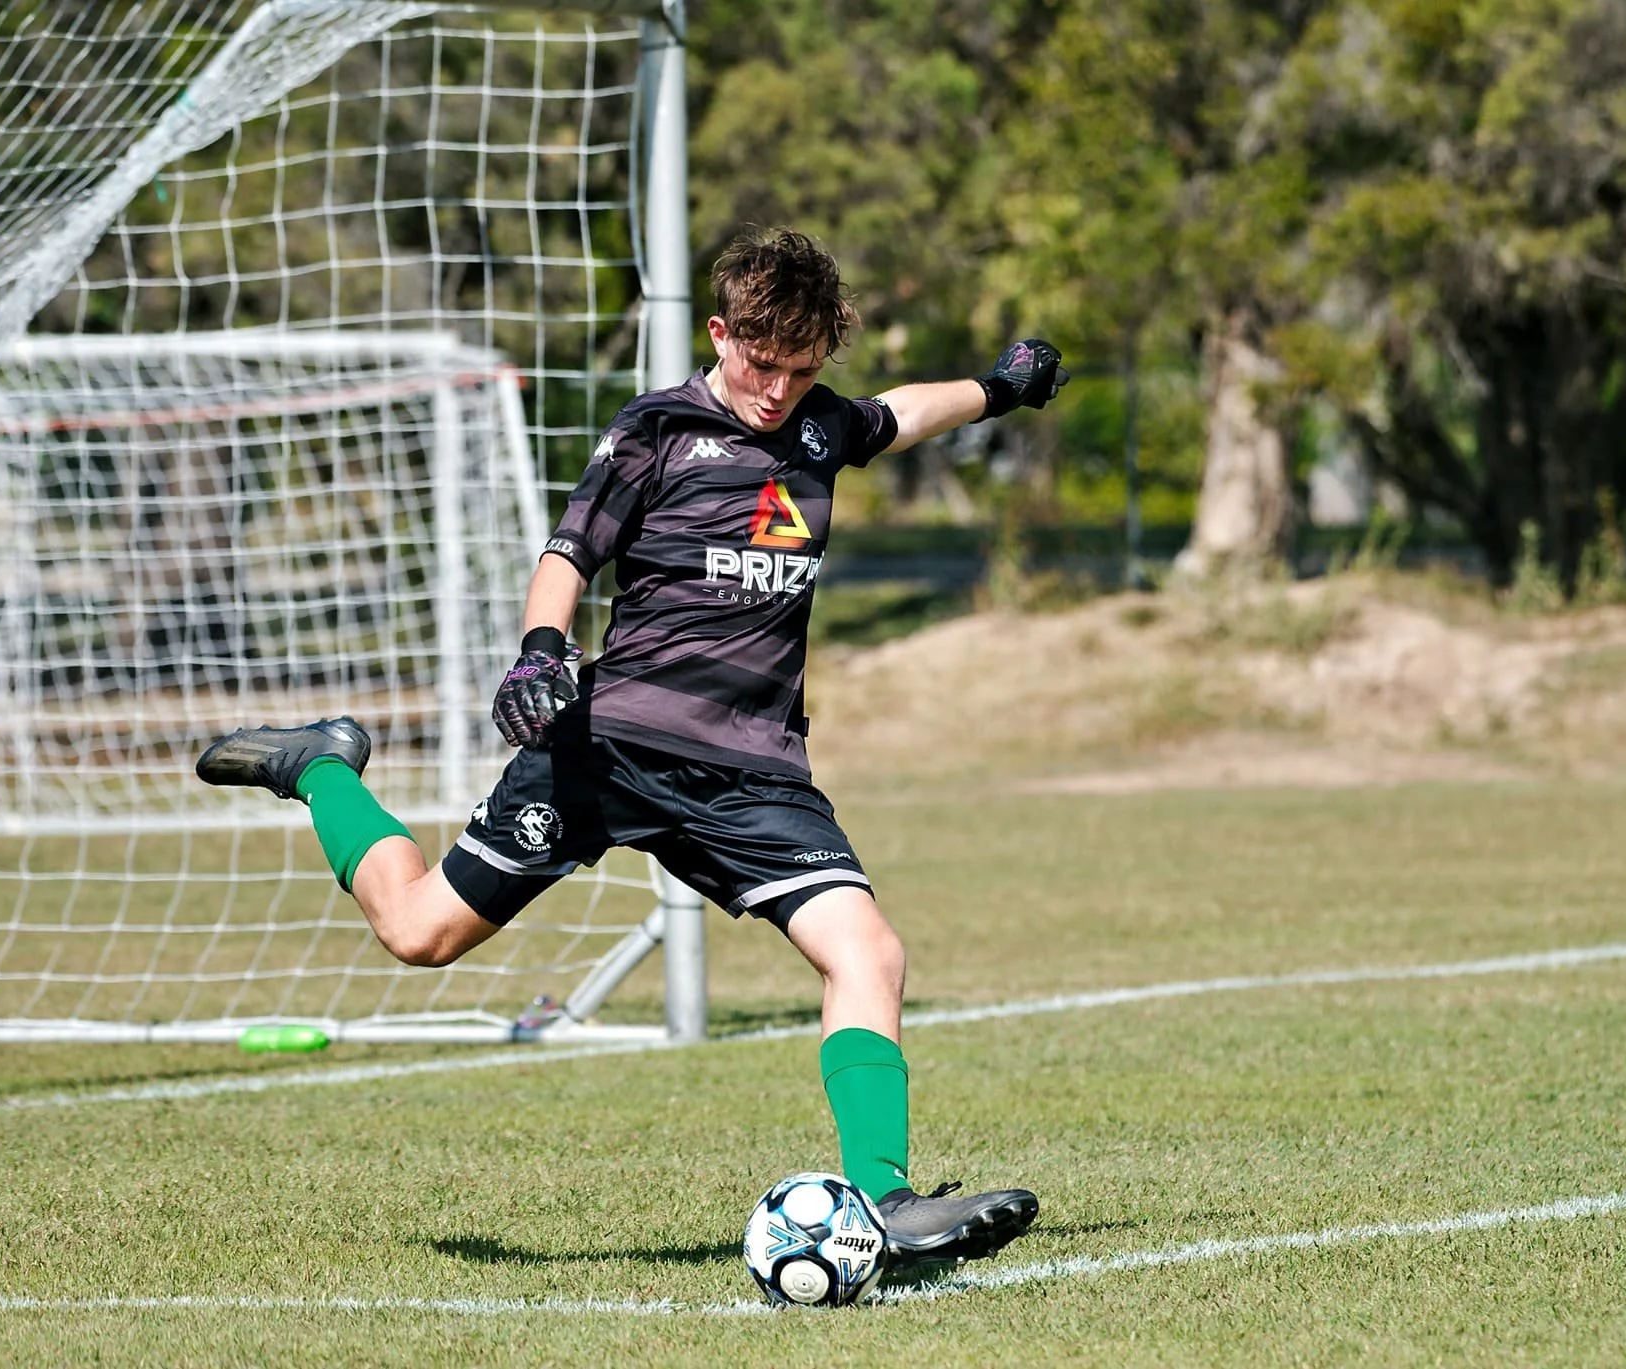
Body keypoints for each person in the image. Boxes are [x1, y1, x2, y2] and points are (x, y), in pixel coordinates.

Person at [196, 227, 1068, 1266]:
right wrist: (536, 654)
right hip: (608, 747)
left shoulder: (822, 426)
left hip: (753, 771)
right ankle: (322, 765)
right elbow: (568, 554)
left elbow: (905, 414)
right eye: (759, 363)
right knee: (418, 932)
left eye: (799, 370)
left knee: (869, 951)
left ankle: (885, 1203)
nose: (776, 390)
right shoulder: (656, 429)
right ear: (719, 333)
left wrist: (999, 387)